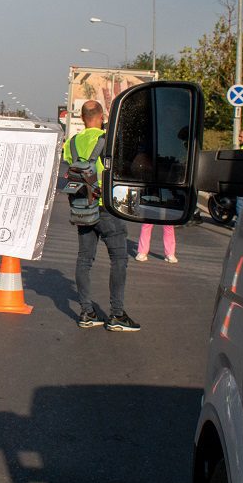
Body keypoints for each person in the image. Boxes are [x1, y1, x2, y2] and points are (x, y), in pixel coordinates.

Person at [62, 100, 139, 331]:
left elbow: (71, 169)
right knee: (119, 259)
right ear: (102, 116)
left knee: (84, 259)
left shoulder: (71, 143)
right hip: (106, 207)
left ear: (82, 117)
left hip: (83, 207)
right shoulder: (109, 140)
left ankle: (86, 313)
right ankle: (116, 315)